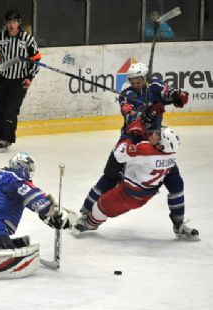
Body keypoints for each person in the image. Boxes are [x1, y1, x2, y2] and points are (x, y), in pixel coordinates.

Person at [77, 62, 191, 237]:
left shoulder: (155, 86)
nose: (135, 84)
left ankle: (179, 223)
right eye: (132, 81)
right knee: (109, 178)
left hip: (156, 142)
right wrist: (147, 113)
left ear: (145, 79)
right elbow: (130, 116)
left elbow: (169, 93)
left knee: (176, 182)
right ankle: (85, 213)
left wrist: (177, 95)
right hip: (131, 139)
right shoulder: (126, 94)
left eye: (138, 81)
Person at [0, 152, 71, 282]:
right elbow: (34, 198)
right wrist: (53, 213)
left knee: (18, 243)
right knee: (22, 255)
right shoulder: (16, 178)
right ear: (25, 168)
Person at [75, 127, 199, 240]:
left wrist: (128, 136)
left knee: (102, 201)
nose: (154, 133)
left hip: (127, 193)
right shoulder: (171, 155)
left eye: (157, 134)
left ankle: (89, 222)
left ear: (161, 145)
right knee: (177, 185)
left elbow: (120, 154)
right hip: (145, 192)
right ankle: (179, 223)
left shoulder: (146, 150)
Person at [0, 9, 42, 152]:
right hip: (4, 78)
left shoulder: (27, 39)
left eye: (14, 22)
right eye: (9, 22)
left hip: (20, 81)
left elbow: (36, 59)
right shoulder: (0, 37)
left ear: (19, 23)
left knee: (10, 110)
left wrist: (30, 77)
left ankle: (6, 139)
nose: (11, 25)